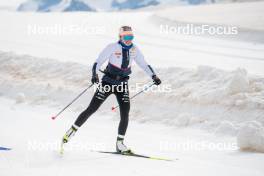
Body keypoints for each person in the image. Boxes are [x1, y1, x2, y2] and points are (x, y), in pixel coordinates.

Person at [62, 26, 161, 153]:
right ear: (120, 37)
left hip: (122, 84)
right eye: (126, 37)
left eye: (131, 37)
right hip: (108, 82)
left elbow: (144, 64)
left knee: (125, 113)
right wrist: (94, 74)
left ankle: (120, 144)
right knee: (92, 109)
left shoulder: (134, 50)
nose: (129, 40)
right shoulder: (112, 47)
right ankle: (71, 131)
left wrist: (154, 75)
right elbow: (98, 62)